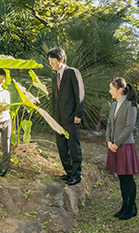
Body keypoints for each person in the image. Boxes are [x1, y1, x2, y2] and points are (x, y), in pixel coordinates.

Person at [106, 77, 139, 221]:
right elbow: (109, 124)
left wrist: (117, 143)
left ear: (120, 90)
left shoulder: (130, 105)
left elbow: (129, 128)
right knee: (121, 176)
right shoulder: (113, 105)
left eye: (111, 89)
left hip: (125, 145)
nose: (109, 91)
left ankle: (132, 207)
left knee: (128, 177)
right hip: (114, 145)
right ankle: (124, 205)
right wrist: (109, 141)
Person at [48, 47, 84, 186]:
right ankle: (69, 172)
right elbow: (54, 100)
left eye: (52, 61)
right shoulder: (54, 78)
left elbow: (79, 95)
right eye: (49, 61)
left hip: (71, 117)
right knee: (61, 146)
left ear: (62, 59)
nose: (50, 63)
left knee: (73, 146)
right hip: (58, 118)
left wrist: (78, 114)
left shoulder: (73, 72)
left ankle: (76, 175)